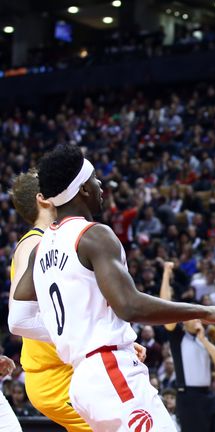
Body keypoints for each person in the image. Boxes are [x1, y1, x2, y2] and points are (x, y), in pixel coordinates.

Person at [12, 144, 215, 430]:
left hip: (82, 380)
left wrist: (75, 331)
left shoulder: (41, 247)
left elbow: (19, 319)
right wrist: (201, 311)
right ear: (83, 190)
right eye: (94, 179)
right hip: (109, 370)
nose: (100, 184)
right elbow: (130, 305)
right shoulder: (93, 235)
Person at [8, 169, 146, 432]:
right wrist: (87, 337)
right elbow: (18, 319)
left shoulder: (55, 240)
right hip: (54, 376)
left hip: (68, 370)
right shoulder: (33, 244)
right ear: (44, 199)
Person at [161, 262, 215, 432]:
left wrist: (205, 340)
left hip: (208, 395)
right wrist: (166, 274)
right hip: (188, 398)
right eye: (192, 316)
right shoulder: (177, 336)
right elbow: (164, 309)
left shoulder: (204, 338)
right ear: (184, 321)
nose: (196, 319)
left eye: (197, 316)